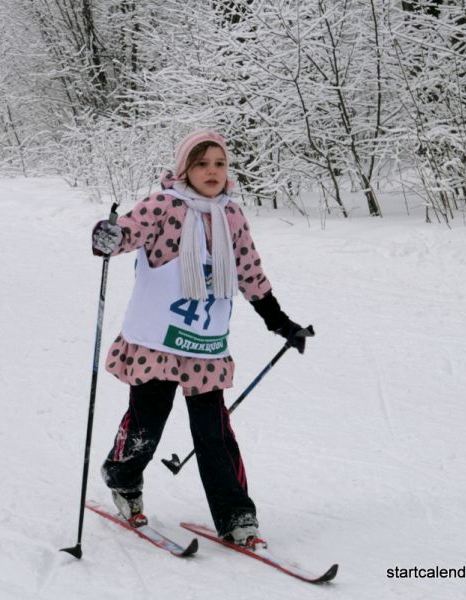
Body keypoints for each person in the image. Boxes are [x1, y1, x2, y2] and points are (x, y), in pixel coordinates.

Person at [91, 130, 309, 547]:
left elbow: (250, 272)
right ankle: (123, 478)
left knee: (214, 433)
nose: (212, 172)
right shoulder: (163, 204)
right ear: (184, 169)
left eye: (220, 164)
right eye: (202, 164)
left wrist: (280, 322)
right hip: (156, 341)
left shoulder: (232, 215)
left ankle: (236, 514)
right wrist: (110, 237)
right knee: (147, 422)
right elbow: (130, 232)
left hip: (204, 345)